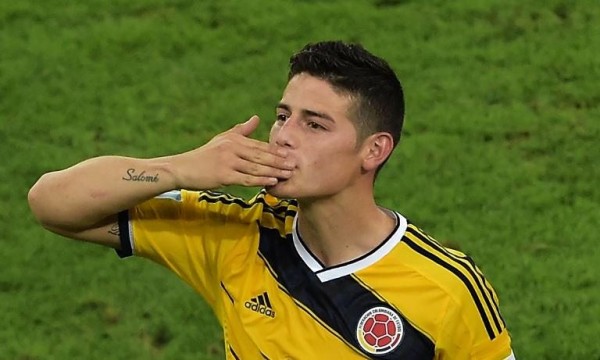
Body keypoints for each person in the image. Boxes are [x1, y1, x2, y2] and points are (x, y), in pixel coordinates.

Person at [28, 41, 514, 359]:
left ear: (374, 150)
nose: (284, 136)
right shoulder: (232, 235)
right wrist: (180, 168)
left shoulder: (448, 288)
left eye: (314, 124)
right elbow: (51, 202)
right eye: (284, 116)